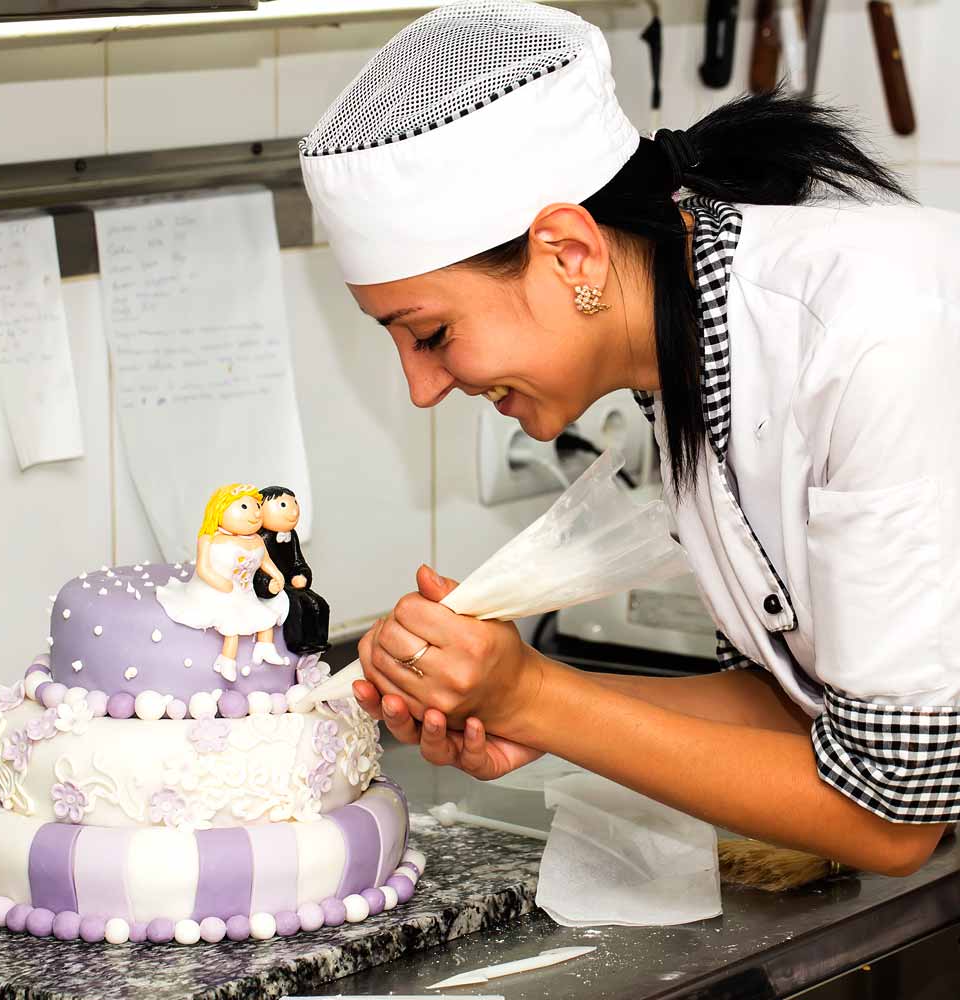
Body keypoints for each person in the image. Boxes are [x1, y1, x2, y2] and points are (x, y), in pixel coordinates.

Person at [299, 0, 960, 877]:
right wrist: (517, 703)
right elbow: (799, 705)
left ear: (570, 253)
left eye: (431, 334)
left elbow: (895, 815)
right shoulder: (690, 350)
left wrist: (537, 696)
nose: (423, 390)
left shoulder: (873, 330)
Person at [156, 483, 286, 681]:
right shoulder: (209, 538)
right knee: (231, 625)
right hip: (216, 592)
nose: (255, 513)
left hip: (245, 592)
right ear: (220, 509)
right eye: (244, 507)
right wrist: (219, 582)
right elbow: (203, 568)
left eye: (257, 507)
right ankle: (226, 661)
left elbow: (265, 562)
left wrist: (278, 576)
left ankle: (265, 649)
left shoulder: (257, 540)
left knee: (264, 618)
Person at [252, 486, 331, 655]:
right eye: (283, 505)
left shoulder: (292, 535)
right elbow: (256, 569)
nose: (294, 511)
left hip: (289, 582)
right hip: (276, 584)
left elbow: (298, 560)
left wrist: (301, 574)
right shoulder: (259, 540)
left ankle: (318, 640)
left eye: (294, 503)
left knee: (319, 603)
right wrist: (267, 584)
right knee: (297, 605)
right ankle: (297, 642)